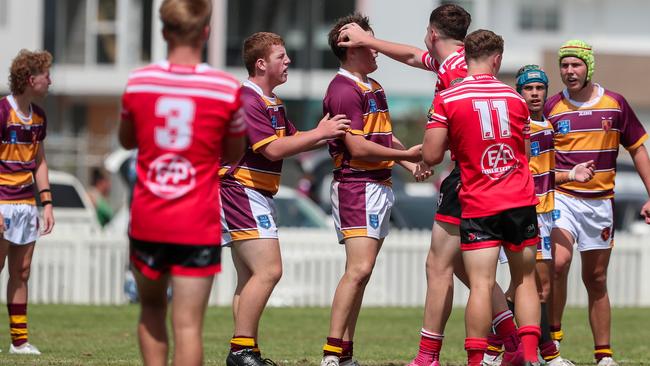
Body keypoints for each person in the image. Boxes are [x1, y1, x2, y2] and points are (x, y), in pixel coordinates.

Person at [338, 6, 521, 366]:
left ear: (432, 33)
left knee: (439, 265)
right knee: (466, 268)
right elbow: (409, 55)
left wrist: (427, 154)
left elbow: (458, 120)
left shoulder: (454, 68)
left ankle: (428, 357)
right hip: (493, 175)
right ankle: (514, 341)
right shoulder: (456, 61)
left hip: (467, 176)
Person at [118, 1, 246, 365]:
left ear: (163, 32)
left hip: (149, 218)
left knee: (152, 311)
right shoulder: (224, 88)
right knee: (188, 326)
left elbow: (127, 141)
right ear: (206, 32)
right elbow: (234, 152)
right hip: (196, 221)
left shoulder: (139, 82)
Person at [220, 31, 351, 366]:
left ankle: (246, 351)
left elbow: (295, 139)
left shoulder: (272, 102)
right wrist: (321, 133)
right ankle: (241, 352)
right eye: (281, 56)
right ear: (261, 63)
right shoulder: (247, 99)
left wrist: (326, 135)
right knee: (269, 270)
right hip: (242, 190)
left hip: (254, 192)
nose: (288, 61)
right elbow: (275, 148)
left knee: (250, 277)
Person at [423, 29, 542, 366]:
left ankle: (476, 361)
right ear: (497, 59)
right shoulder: (516, 99)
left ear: (466, 56)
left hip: (479, 200)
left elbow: (432, 155)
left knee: (480, 284)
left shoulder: (448, 98)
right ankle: (530, 357)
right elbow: (526, 151)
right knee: (524, 279)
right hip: (519, 199)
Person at [320, 14, 426, 366]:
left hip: (379, 185)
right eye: (368, 42)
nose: (375, 49)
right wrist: (405, 153)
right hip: (356, 185)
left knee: (362, 274)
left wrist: (408, 164)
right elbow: (359, 149)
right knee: (358, 270)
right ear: (350, 50)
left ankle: (345, 354)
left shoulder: (373, 86)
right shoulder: (343, 89)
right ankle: (332, 354)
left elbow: (382, 135)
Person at [545, 40, 650, 366]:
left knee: (597, 279)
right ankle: (554, 347)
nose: (569, 71)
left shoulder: (615, 104)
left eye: (575, 65)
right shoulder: (551, 107)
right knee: (558, 265)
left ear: (588, 67)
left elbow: (637, 148)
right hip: (562, 198)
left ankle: (603, 355)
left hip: (600, 203)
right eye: (564, 65)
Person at [484, 65, 595, 366]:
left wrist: (571, 173)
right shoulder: (518, 127)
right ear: (519, 92)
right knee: (536, 286)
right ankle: (548, 354)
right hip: (525, 213)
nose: (534, 93)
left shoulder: (546, 126)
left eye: (539, 88)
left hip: (545, 213)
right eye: (528, 88)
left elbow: (545, 175)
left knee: (525, 286)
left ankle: (494, 349)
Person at [0, 49, 55, 355]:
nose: (51, 81)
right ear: (31, 79)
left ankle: (19, 341)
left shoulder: (38, 117)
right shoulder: (1, 112)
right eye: (47, 75)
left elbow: (40, 162)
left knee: (22, 272)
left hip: (25, 202)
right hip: (1, 201)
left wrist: (46, 204)